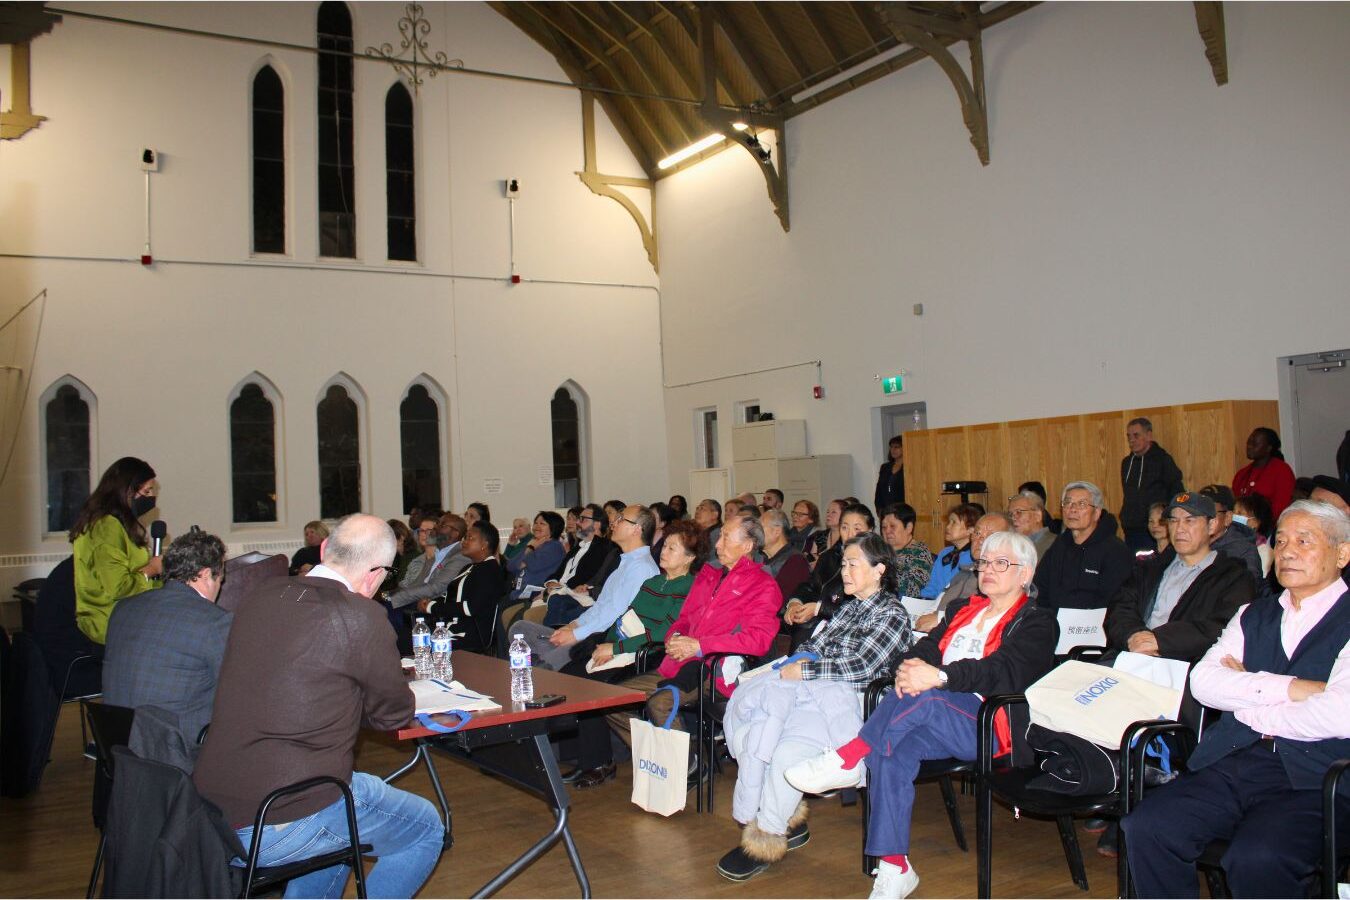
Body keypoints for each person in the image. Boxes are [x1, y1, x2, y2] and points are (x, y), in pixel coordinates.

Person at [785, 531, 1057, 900]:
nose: (988, 570)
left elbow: (1003, 671)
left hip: (991, 723)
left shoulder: (1038, 622)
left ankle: (850, 756)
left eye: (1001, 564)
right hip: (934, 712)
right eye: (985, 563)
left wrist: (941, 677)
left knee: (924, 695)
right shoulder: (965, 609)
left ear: (1026, 574)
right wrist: (912, 665)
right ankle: (896, 866)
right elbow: (928, 645)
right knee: (892, 751)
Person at [194, 515, 443, 899]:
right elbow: (391, 715)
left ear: (325, 550)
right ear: (376, 575)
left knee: (340, 830)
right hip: (280, 815)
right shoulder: (362, 616)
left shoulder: (260, 595)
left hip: (211, 807)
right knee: (425, 828)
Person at [1121, 500, 1350, 899]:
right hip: (1238, 759)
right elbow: (1205, 683)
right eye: (1279, 542)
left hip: (1319, 774)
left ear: (1342, 553)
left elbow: (1338, 715)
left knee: (1258, 856)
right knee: (1147, 827)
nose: (1287, 552)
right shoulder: (1252, 614)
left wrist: (1248, 702)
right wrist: (1291, 689)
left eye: (1303, 541)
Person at [716, 533, 917, 882]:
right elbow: (815, 646)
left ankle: (766, 836)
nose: (846, 572)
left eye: (853, 564)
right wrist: (797, 668)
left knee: (784, 753)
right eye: (843, 564)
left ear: (879, 569)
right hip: (817, 694)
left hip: (854, 706)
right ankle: (786, 819)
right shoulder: (848, 609)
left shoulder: (892, 613)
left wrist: (805, 670)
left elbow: (863, 669)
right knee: (758, 734)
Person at [605, 514, 782, 747]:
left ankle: (686, 766)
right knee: (611, 700)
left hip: (716, 670)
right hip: (680, 661)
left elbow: (757, 640)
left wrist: (700, 646)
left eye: (726, 538)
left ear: (747, 546)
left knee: (660, 703)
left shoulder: (763, 585)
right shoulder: (710, 575)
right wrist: (675, 637)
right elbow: (684, 618)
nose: (717, 545)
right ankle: (656, 754)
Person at [563, 520, 706, 787]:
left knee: (596, 690)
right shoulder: (653, 581)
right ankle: (583, 757)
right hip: (626, 649)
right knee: (570, 676)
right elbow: (626, 618)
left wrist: (615, 648)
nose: (663, 552)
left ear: (690, 557)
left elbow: (664, 632)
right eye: (664, 546)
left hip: (651, 655)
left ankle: (601, 763)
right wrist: (604, 645)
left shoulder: (690, 588)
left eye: (672, 548)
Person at [103, 529, 232, 754]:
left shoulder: (123, 608)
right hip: (178, 756)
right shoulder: (215, 622)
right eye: (220, 578)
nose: (220, 586)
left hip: (119, 750)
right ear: (205, 574)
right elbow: (239, 690)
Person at [1106, 491, 1255, 664]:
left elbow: (1222, 627)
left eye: (1189, 520)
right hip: (1132, 657)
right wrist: (1133, 635)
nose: (1179, 529)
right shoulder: (1149, 568)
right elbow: (1119, 608)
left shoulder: (1234, 576)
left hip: (1184, 668)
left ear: (1212, 525)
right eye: (1173, 521)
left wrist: (1160, 641)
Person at [513, 505, 659, 670]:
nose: (613, 524)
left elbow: (614, 617)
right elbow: (600, 608)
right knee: (520, 630)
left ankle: (550, 664)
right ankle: (551, 661)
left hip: (602, 639)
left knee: (542, 666)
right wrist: (573, 625)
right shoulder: (625, 563)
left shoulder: (641, 568)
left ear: (636, 529)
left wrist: (575, 635)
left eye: (620, 519)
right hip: (590, 631)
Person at [69, 456, 162, 645]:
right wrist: (152, 569)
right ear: (127, 491)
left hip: (126, 619)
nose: (152, 497)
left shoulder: (117, 524)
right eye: (147, 490)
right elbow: (119, 587)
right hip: (109, 625)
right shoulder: (105, 527)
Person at [784, 503, 874, 650]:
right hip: (818, 625)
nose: (850, 534)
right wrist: (795, 602)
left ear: (869, 531)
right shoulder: (829, 556)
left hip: (851, 633)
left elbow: (864, 609)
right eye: (844, 528)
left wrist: (820, 608)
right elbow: (811, 585)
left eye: (857, 529)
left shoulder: (876, 564)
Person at [1032, 481, 1133, 611]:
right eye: (1067, 503)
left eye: (1082, 504)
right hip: (1054, 624)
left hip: (1095, 625)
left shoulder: (1115, 551)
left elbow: (1117, 602)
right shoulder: (1058, 546)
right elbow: (1041, 589)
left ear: (1096, 513)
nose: (1072, 509)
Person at [913, 512, 1012, 633]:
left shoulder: (1005, 577)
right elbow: (935, 605)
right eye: (977, 533)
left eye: (990, 535)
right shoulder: (964, 572)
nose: (980, 539)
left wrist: (941, 620)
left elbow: (994, 618)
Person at [421, 520, 509, 653]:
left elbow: (470, 608)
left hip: (469, 635)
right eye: (464, 538)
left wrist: (431, 607)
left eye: (470, 538)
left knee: (410, 643)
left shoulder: (489, 571)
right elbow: (449, 597)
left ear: (484, 545)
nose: (464, 541)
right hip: (451, 629)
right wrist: (430, 602)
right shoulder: (470, 567)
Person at [1119, 417, 1184, 552]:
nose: (1131, 440)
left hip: (1155, 530)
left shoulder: (1163, 460)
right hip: (1131, 529)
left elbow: (1177, 491)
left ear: (1149, 435)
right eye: (1128, 436)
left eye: (1136, 435)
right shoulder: (1126, 463)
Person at [384, 513, 469, 611]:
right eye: (437, 524)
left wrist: (396, 599)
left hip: (433, 608)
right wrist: (390, 596)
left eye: (442, 525)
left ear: (455, 533)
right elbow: (418, 582)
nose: (436, 528)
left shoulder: (460, 556)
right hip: (414, 602)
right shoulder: (437, 554)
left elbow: (436, 588)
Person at [1197, 484, 1265, 587]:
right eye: (1198, 513)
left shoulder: (1243, 552)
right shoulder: (1191, 544)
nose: (1204, 519)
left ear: (1228, 518)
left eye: (1211, 513)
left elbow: (1246, 593)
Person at [916, 503, 982, 600]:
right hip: (934, 605)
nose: (947, 527)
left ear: (970, 530)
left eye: (954, 522)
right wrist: (922, 600)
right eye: (949, 522)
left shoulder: (974, 556)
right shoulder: (945, 553)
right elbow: (932, 586)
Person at [1232, 426, 1296, 521]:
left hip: (1270, 527)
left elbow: (1282, 507)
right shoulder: (1242, 474)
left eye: (1255, 444)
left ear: (1268, 448)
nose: (1249, 446)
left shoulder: (1282, 471)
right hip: (1242, 529)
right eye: (1248, 443)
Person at [502, 510, 566, 602]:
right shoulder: (534, 544)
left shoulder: (555, 546)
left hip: (536, 595)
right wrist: (529, 549)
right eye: (536, 523)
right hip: (518, 593)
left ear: (553, 527)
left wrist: (530, 549)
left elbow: (533, 565)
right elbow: (510, 566)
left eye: (542, 523)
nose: (536, 526)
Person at [879, 503, 932, 600]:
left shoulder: (919, 553)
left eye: (892, 526)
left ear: (908, 528)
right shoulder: (880, 551)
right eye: (884, 527)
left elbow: (912, 590)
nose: (887, 531)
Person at [761, 509, 812, 602]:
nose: (756, 533)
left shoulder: (795, 561)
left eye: (761, 528)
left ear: (777, 531)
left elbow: (783, 600)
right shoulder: (761, 558)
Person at [1233, 493, 1274, 575]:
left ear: (1255, 522)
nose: (1233, 516)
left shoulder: (1265, 553)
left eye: (1239, 513)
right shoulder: (1226, 541)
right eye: (1233, 512)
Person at [1008, 490, 1056, 560]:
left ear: (1038, 516)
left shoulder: (1055, 545)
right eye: (1010, 514)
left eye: (1019, 512)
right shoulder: (1011, 545)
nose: (1013, 518)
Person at [400, 513, 441, 587]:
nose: (423, 534)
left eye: (429, 530)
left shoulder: (444, 559)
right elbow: (404, 585)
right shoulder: (415, 562)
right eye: (421, 530)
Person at [806, 498, 846, 569]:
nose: (828, 515)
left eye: (833, 512)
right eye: (828, 512)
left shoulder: (847, 537)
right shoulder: (820, 536)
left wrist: (822, 562)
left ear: (844, 515)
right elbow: (812, 560)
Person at [874, 435, 906, 513]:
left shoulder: (909, 467)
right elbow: (879, 490)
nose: (893, 450)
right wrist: (879, 509)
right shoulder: (885, 467)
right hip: (885, 509)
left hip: (902, 510)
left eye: (896, 447)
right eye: (891, 447)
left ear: (904, 448)